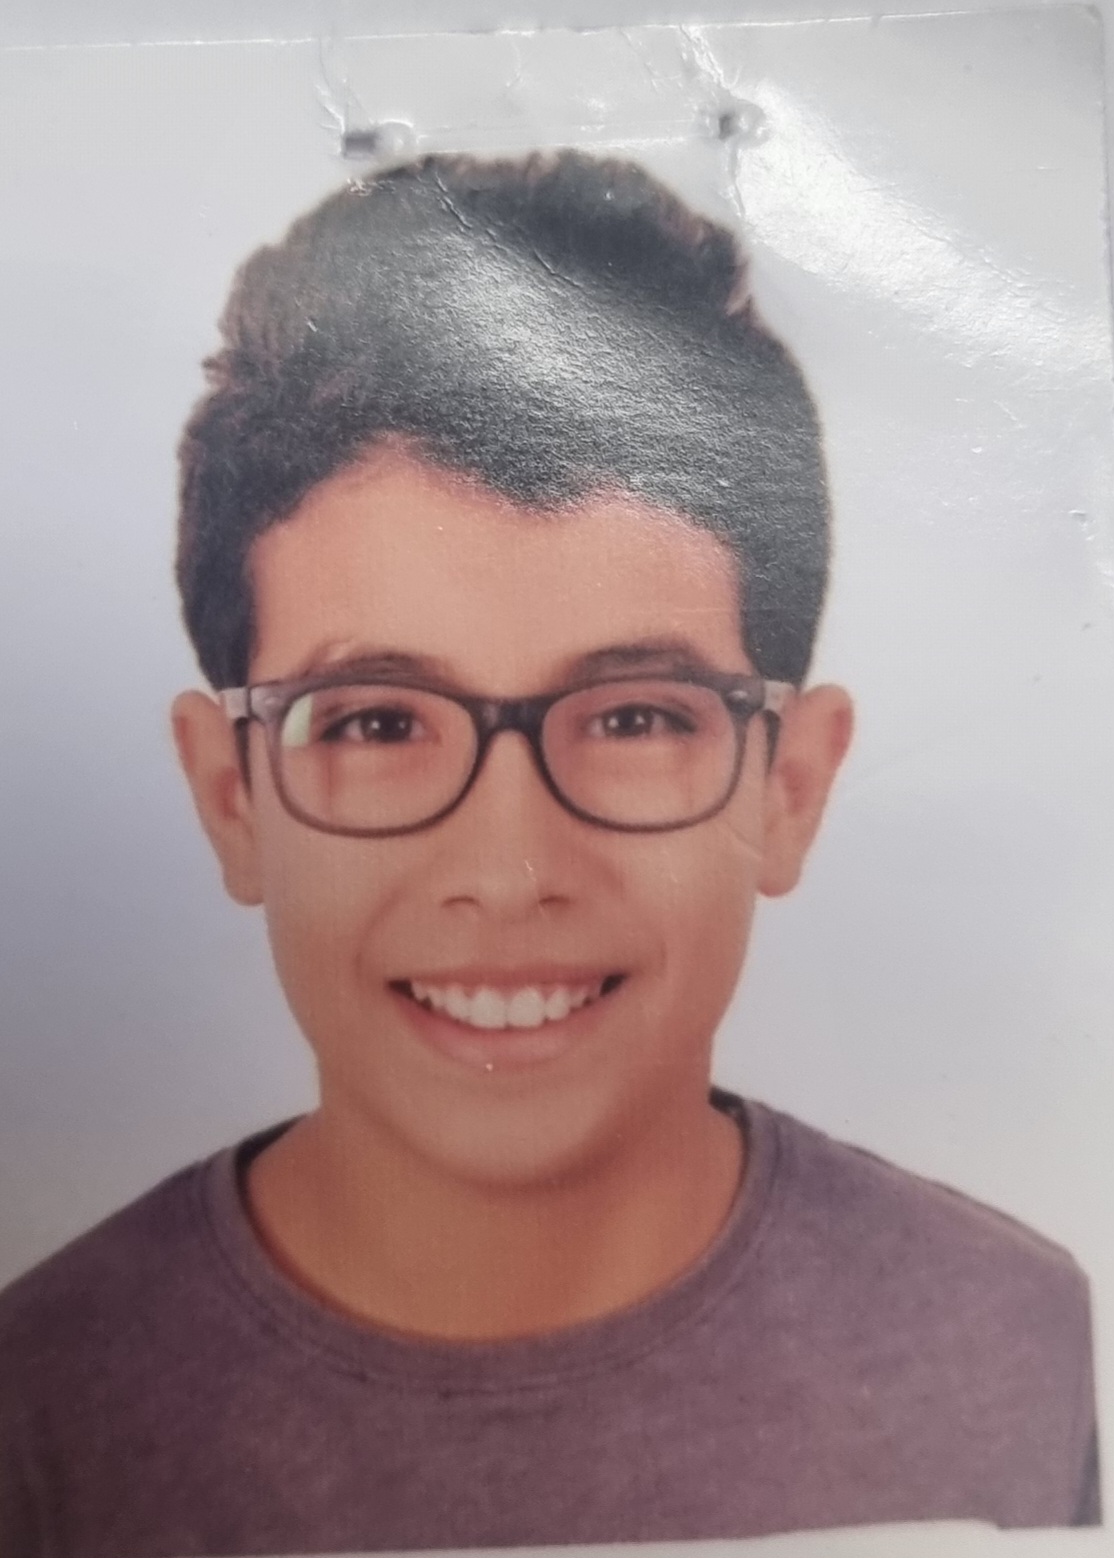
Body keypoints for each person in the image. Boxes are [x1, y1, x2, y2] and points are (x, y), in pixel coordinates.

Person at [0, 151, 1100, 1556]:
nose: (511, 871)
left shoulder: (1023, 1342)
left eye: (636, 715)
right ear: (231, 797)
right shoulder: (37, 1415)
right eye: (378, 720)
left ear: (792, 786)